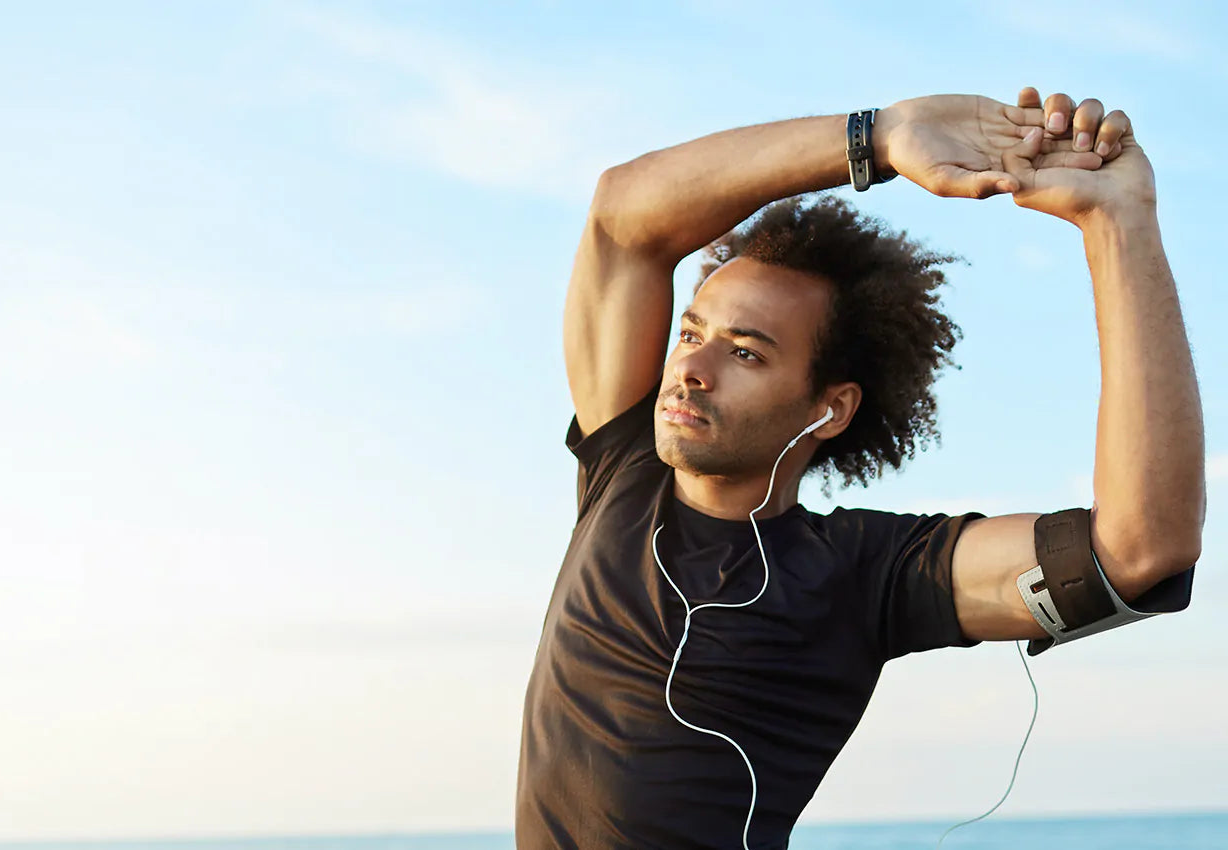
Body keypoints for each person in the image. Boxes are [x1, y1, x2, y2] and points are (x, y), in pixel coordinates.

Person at [514, 88, 1204, 850]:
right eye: (692, 332)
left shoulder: (863, 575)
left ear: (829, 409)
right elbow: (622, 213)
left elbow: (1141, 547)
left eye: (746, 353)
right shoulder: (623, 471)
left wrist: (1118, 226)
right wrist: (878, 137)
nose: (692, 369)